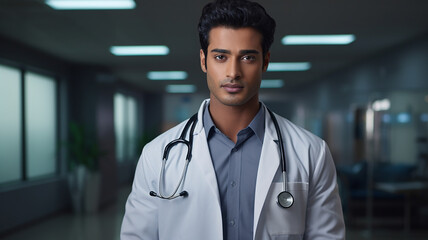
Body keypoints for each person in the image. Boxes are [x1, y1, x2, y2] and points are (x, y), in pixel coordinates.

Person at [120, 0, 345, 239]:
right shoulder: (157, 154)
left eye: (247, 57)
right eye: (220, 57)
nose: (233, 72)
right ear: (203, 60)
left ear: (265, 62)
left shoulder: (311, 152)